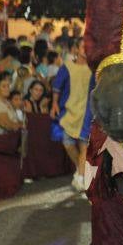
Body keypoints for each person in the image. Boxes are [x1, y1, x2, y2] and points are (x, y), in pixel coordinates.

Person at [51, 42, 93, 192]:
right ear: (76, 49)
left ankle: (81, 177)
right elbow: (57, 86)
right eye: (83, 47)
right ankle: (79, 167)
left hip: (87, 113)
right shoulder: (67, 66)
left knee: (84, 146)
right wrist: (54, 103)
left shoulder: (93, 69)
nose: (85, 49)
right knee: (67, 143)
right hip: (69, 111)